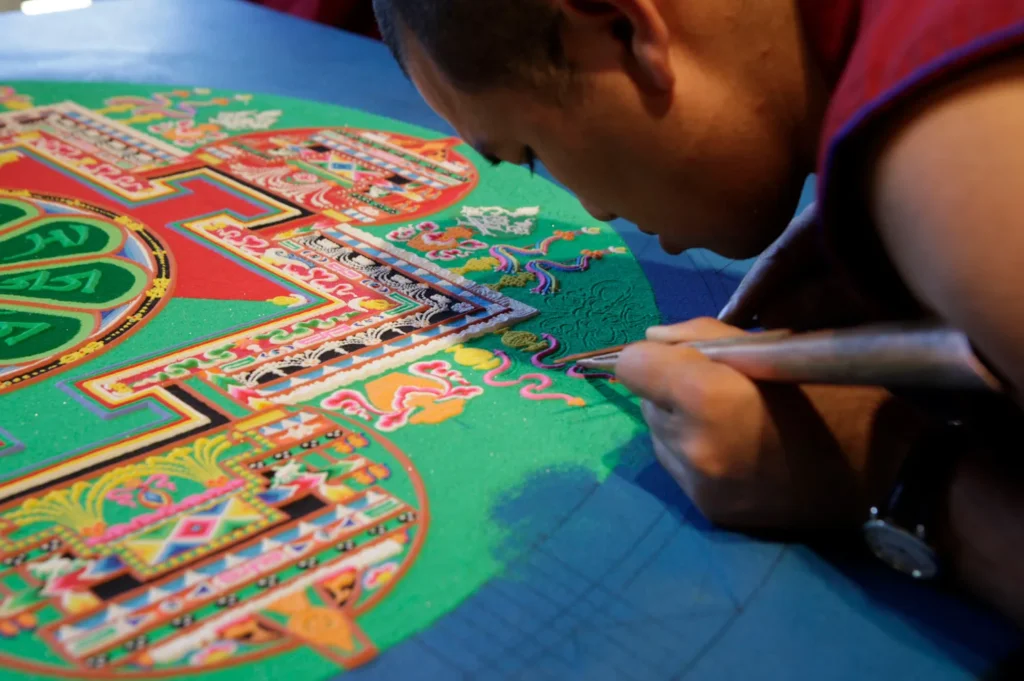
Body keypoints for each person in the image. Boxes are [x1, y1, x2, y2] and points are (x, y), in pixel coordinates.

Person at [369, 0, 1024, 628]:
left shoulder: (950, 152)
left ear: (621, 28)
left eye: (532, 153)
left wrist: (877, 469)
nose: (593, 210)